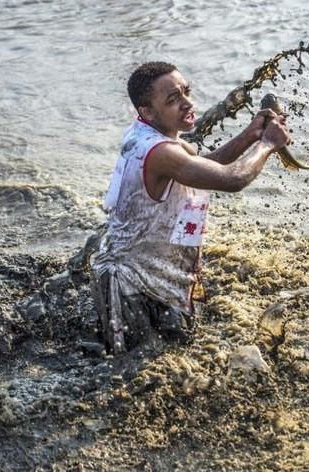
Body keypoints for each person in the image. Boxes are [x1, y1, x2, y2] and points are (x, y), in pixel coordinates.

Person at [90, 61, 290, 354]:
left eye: (186, 92)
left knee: (174, 360)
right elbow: (233, 179)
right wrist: (267, 145)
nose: (188, 103)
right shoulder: (159, 151)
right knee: (136, 374)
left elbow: (203, 167)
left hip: (148, 275)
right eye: (173, 99)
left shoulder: (149, 135)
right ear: (146, 111)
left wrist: (250, 135)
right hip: (131, 287)